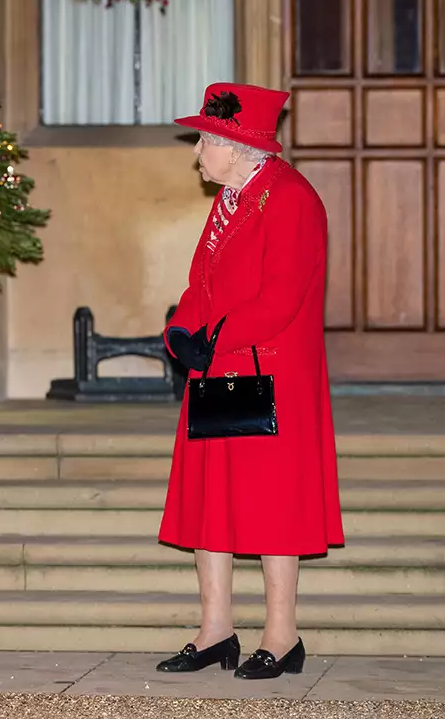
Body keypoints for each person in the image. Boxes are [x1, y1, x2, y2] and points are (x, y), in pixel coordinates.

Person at [156, 82, 343, 680]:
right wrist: (182, 331)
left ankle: (282, 637)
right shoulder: (233, 198)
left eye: (205, 141)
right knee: (215, 501)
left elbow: (282, 298)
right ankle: (216, 632)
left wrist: (215, 339)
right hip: (223, 369)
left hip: (270, 375)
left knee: (272, 505)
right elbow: (199, 283)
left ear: (237, 143)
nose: (198, 153)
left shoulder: (290, 198)